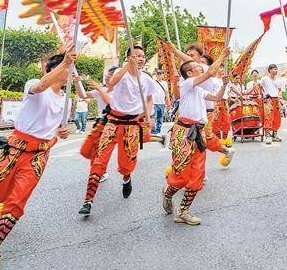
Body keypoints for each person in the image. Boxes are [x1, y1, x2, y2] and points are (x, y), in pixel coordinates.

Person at [0, 51, 74, 270]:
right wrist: (64, 62)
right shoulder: (35, 85)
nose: (72, 72)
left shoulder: (66, 100)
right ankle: (4, 203)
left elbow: (58, 128)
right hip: (15, 148)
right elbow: (39, 88)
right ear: (55, 69)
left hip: (38, 155)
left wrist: (64, 131)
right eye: (69, 68)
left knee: (18, 198)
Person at [79, 46, 155, 217]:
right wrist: (128, 65)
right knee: (100, 160)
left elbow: (149, 99)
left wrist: (148, 116)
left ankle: (126, 178)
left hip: (132, 125)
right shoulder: (121, 73)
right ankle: (88, 200)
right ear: (128, 57)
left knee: (126, 163)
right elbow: (111, 84)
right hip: (113, 122)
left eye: (143, 56)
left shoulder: (147, 79)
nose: (140, 58)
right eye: (136, 55)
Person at [163, 49, 231, 225]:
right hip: (184, 133)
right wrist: (222, 56)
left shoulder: (199, 91)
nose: (202, 68)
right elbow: (209, 72)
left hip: (199, 133)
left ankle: (183, 211)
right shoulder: (186, 84)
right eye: (197, 67)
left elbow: (216, 98)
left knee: (198, 173)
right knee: (181, 175)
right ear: (189, 73)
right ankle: (168, 195)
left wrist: (223, 85)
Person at [261, 64, 283, 143]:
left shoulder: (279, 80)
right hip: (268, 100)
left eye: (276, 69)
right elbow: (258, 87)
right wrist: (264, 95)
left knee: (277, 118)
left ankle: (274, 135)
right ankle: (267, 136)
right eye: (274, 69)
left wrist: (280, 99)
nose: (275, 71)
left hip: (276, 100)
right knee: (268, 117)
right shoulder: (265, 79)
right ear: (269, 70)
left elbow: (280, 90)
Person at [151, 69, 169, 138]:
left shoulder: (165, 83)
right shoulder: (153, 82)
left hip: (162, 103)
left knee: (160, 118)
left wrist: (168, 102)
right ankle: (153, 131)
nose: (158, 75)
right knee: (153, 117)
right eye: (157, 74)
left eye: (160, 74)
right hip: (154, 103)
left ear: (162, 75)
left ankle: (158, 131)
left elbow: (166, 93)